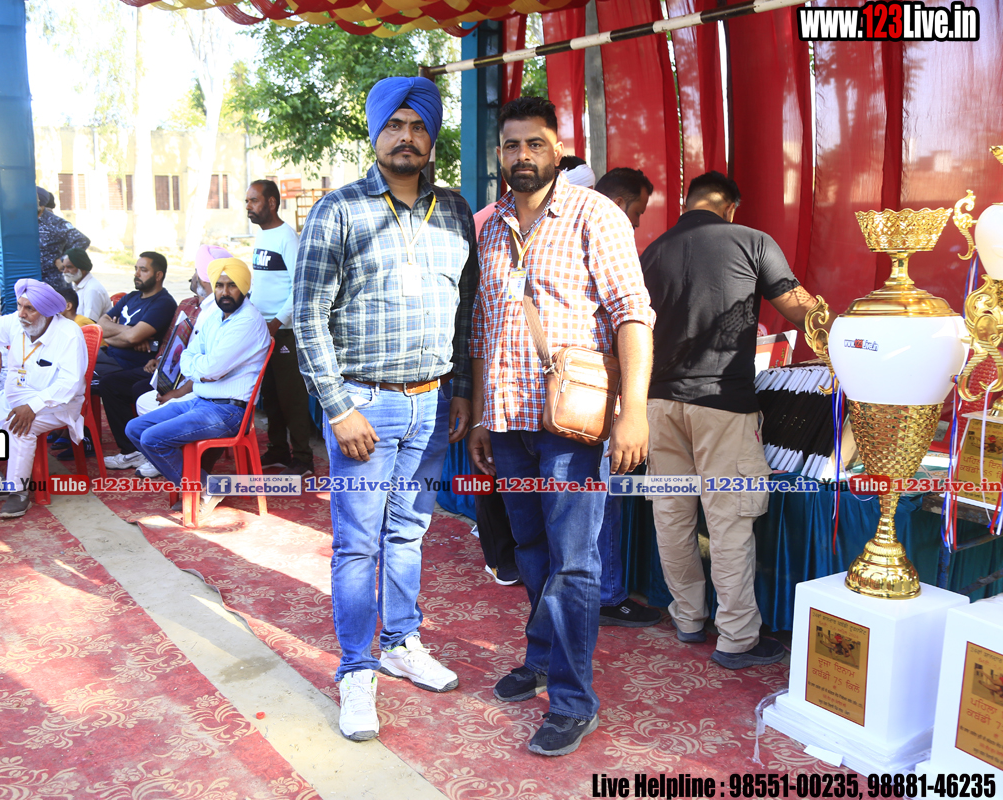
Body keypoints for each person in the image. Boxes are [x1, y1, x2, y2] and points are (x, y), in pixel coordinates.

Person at [466, 96, 656, 757]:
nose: (522, 155)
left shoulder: (595, 214)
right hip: (508, 422)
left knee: (574, 563)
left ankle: (574, 701)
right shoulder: (491, 227)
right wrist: (482, 415)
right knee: (530, 551)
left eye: (535, 143)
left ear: (557, 148)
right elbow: (483, 327)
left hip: (573, 427)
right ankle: (542, 658)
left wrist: (634, 410)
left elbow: (633, 314)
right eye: (511, 144)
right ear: (500, 154)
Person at [294, 76, 477, 743]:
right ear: (375, 133)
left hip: (431, 405)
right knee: (356, 544)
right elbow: (307, 315)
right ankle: (356, 669)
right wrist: (338, 408)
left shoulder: (454, 211)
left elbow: (465, 310)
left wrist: (462, 390)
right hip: (363, 406)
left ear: (432, 138)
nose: (407, 137)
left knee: (408, 533)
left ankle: (401, 643)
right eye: (394, 125)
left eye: (418, 126)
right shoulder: (338, 210)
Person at [640, 170, 817, 670]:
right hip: (723, 405)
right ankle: (737, 638)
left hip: (659, 405)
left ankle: (688, 618)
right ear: (731, 207)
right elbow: (800, 310)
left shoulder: (651, 253)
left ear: (687, 203)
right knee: (730, 521)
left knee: (671, 516)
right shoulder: (752, 242)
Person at [127, 257, 272, 515]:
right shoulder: (215, 316)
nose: (224, 292)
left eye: (232, 285)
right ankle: (204, 484)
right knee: (136, 429)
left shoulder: (247, 321)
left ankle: (204, 489)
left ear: (244, 288)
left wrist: (201, 367)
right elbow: (189, 355)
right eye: (219, 285)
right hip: (201, 401)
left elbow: (211, 369)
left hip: (229, 411)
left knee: (152, 439)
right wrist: (201, 368)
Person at [0, 279, 88, 518]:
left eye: (29, 309)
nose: (21, 314)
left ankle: (18, 492)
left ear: (47, 312)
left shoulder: (69, 334)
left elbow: (70, 384)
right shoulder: (17, 321)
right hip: (12, 398)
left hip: (55, 405)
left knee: (19, 426)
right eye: (20, 306)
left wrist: (32, 407)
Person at [246, 179, 313, 477]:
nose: (248, 206)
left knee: (291, 397)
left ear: (271, 203)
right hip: (263, 329)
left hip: (284, 332)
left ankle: (303, 459)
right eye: (247, 201)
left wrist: (276, 322)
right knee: (270, 394)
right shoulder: (262, 235)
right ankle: (278, 450)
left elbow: (300, 288)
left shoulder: (288, 238)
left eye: (254, 200)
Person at [96, 252, 178, 471]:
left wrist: (120, 335)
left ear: (158, 275)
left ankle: (130, 450)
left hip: (136, 365)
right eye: (136, 269)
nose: (137, 274)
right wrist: (127, 333)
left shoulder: (163, 303)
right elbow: (100, 326)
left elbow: (131, 337)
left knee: (101, 383)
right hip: (110, 355)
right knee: (77, 371)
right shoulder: (130, 297)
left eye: (143, 270)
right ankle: (78, 437)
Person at [36, 189, 90, 290]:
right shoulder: (27, 222)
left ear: (41, 204)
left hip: (53, 283)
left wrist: (64, 259)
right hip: (33, 281)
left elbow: (82, 240)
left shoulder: (55, 223)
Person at [58, 248, 111, 321]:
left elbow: (89, 323)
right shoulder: (78, 286)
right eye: (64, 268)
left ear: (82, 269)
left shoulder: (92, 290)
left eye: (69, 267)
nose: (65, 271)